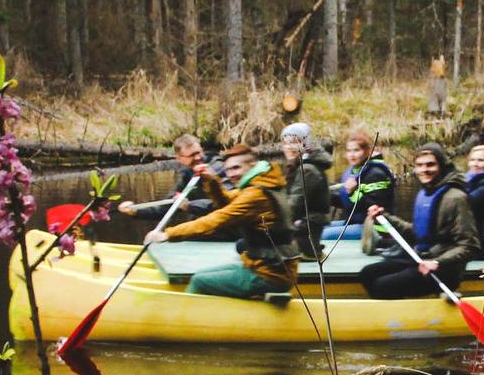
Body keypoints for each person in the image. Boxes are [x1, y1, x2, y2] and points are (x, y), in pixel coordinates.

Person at [144, 145, 300, 298]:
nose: (231, 174)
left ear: (252, 165)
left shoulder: (256, 195)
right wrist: (212, 181)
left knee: (199, 281)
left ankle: (192, 318)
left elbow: (217, 219)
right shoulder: (262, 184)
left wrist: (167, 235)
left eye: (236, 168)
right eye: (228, 170)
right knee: (202, 274)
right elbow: (227, 201)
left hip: (271, 276)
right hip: (264, 267)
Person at [357, 144, 483, 300]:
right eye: (420, 165)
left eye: (430, 164)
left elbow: (469, 245)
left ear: (442, 166)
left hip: (443, 270)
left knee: (383, 285)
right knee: (367, 273)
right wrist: (386, 218)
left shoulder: (456, 197)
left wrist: (437, 262)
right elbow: (418, 233)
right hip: (421, 259)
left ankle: (400, 318)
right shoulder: (425, 193)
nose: (425, 170)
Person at [119, 134, 220, 223]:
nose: (198, 158)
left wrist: (189, 205)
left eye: (199, 153)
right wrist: (135, 210)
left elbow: (225, 202)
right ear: (179, 159)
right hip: (205, 225)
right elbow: (166, 208)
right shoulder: (187, 174)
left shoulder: (218, 167)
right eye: (192, 155)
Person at [323, 130, 395, 242]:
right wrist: (325, 196)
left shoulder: (376, 174)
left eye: (356, 150)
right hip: (355, 222)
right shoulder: (356, 170)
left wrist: (352, 192)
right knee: (318, 228)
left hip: (373, 228)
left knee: (322, 234)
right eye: (349, 151)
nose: (351, 155)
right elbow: (348, 203)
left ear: (367, 151)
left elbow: (374, 208)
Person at [278, 122, 334, 258]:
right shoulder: (299, 166)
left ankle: (307, 251)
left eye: (294, 142)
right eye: (285, 143)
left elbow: (294, 205)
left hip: (305, 230)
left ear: (306, 144)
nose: (289, 147)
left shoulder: (307, 170)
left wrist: (273, 224)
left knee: (245, 244)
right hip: (303, 226)